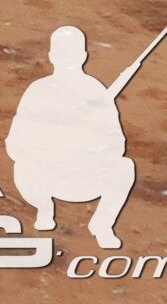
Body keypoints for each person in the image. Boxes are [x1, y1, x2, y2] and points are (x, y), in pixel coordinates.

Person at [9, 23, 144, 249]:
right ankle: (44, 208)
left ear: (82, 56)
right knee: (22, 167)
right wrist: (48, 148)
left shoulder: (95, 91)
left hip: (85, 176)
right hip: (46, 175)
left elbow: (116, 144)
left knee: (124, 167)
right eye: (63, 54)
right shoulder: (38, 91)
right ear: (53, 56)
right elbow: (15, 142)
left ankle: (102, 224)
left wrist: (88, 149)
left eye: (71, 54)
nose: (68, 59)